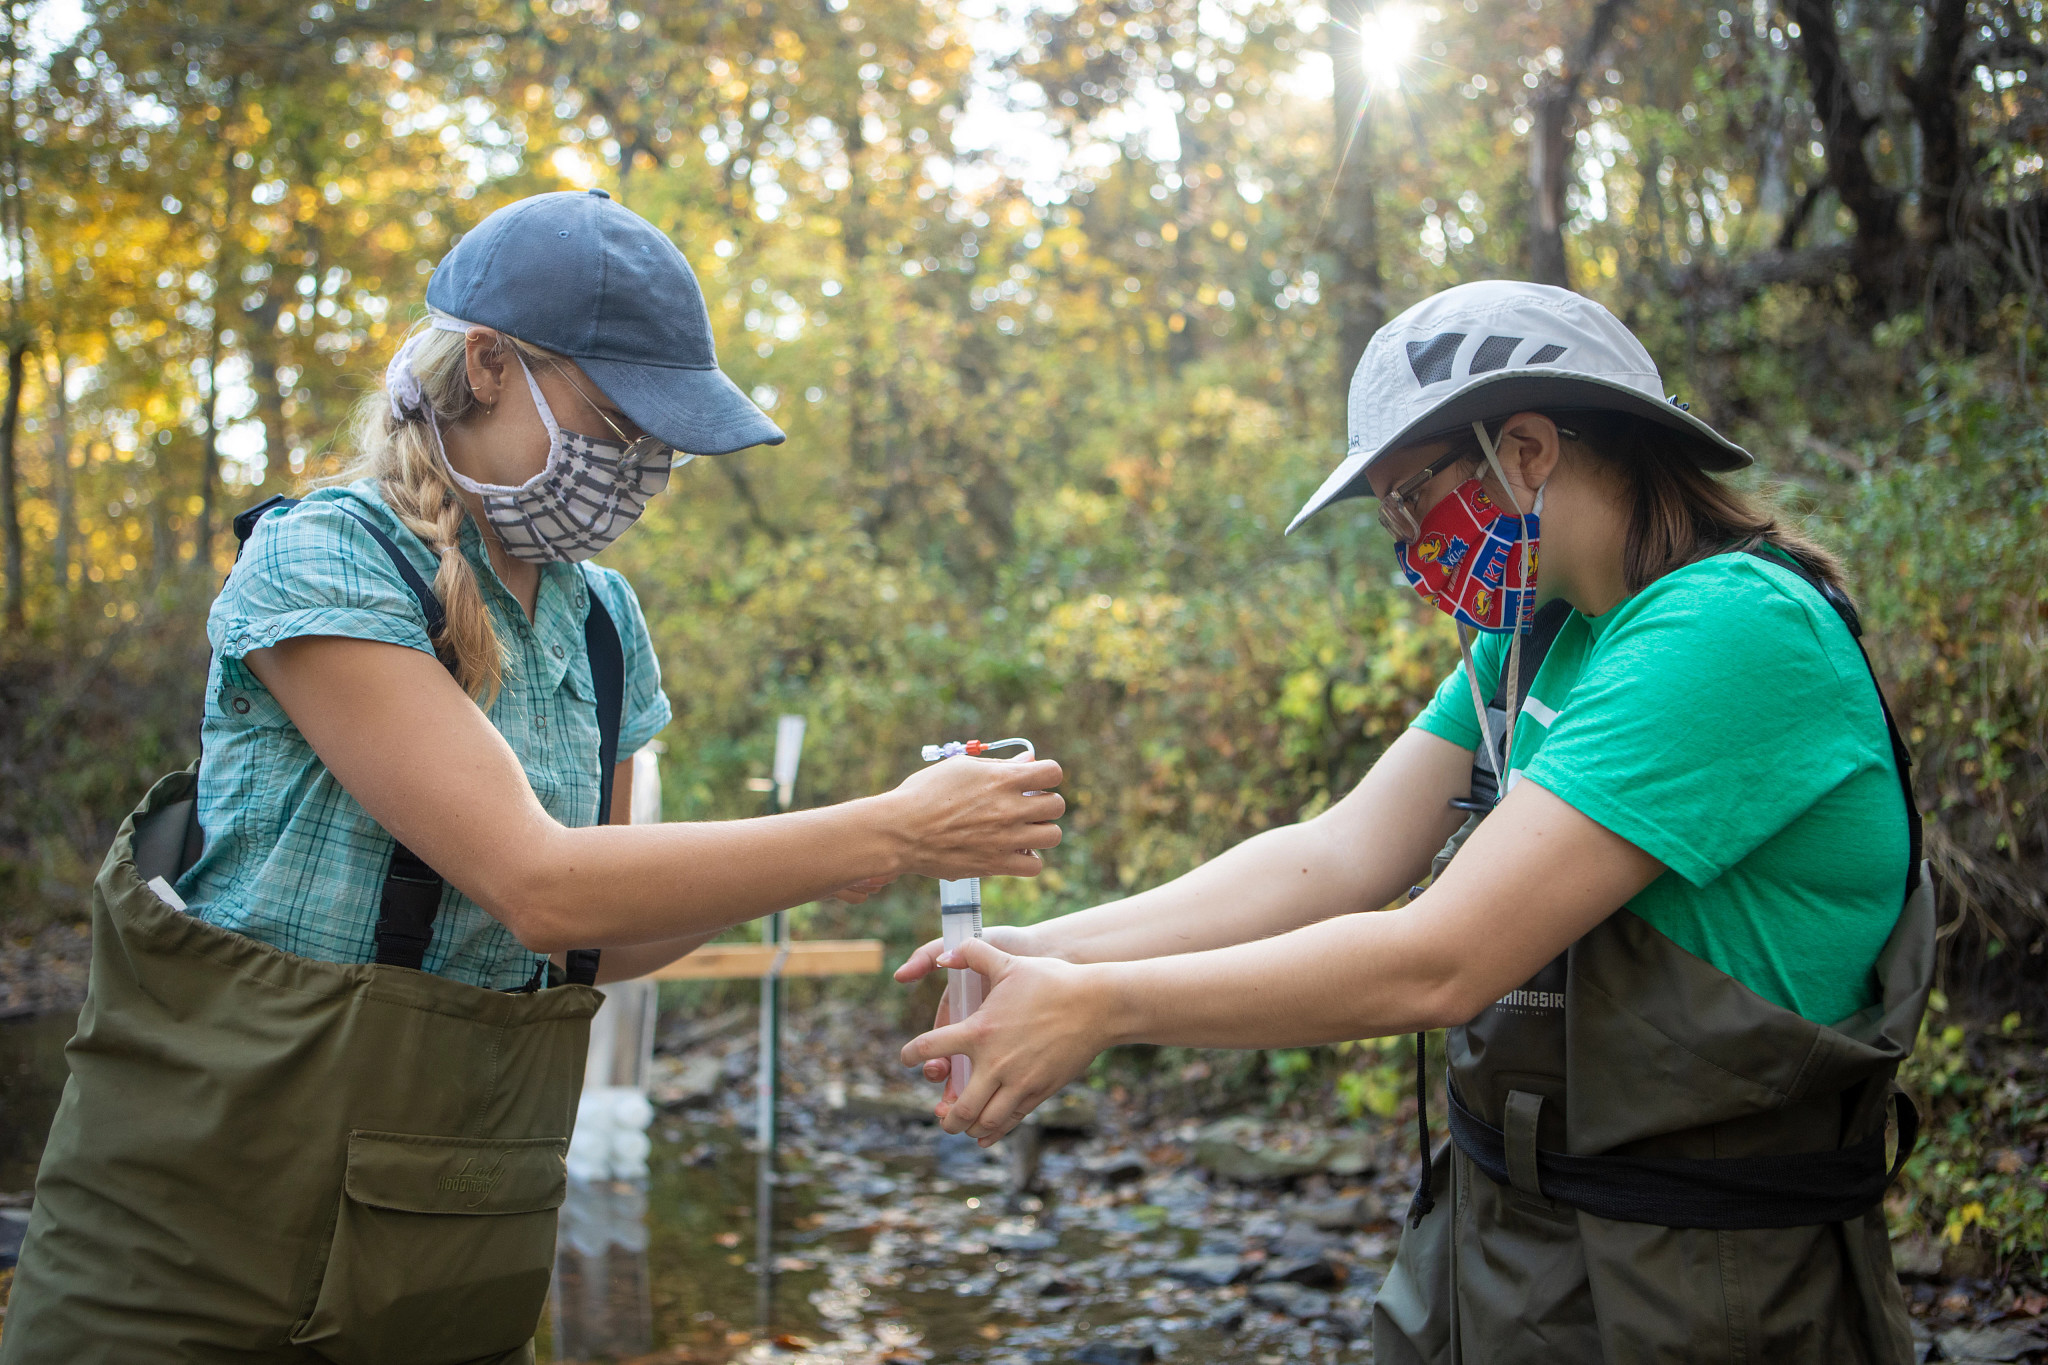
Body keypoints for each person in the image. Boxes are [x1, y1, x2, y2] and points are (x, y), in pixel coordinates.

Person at [1, 189, 1063, 1365]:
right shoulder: (329, 558)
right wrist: (886, 833)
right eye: (619, 423)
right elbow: (539, 883)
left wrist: (816, 867)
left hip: (450, 1250)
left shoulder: (600, 622)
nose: (641, 470)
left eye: (665, 444)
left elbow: (594, 943)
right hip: (192, 1245)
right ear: (490, 366)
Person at [896, 281, 1932, 1363]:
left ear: (1525, 449)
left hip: (1705, 1271)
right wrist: (1036, 952)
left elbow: (1438, 960)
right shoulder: (1535, 638)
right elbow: (1335, 855)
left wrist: (1099, 1006)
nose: (1405, 550)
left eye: (1410, 502)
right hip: (1516, 1242)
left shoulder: (1728, 632)